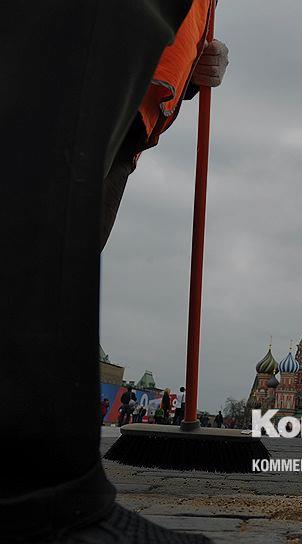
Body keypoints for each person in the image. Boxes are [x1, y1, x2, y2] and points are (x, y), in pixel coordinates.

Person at [2, 4, 227, 539]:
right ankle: (35, 502)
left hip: (131, 113)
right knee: (30, 265)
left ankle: (39, 495)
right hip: (75, 71)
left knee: (54, 275)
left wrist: (194, 68)